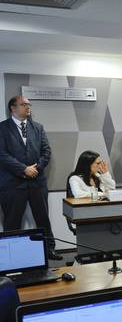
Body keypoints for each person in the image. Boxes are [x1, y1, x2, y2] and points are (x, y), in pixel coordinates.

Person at [0, 95, 60, 260]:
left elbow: (46, 151)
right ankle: (10, 255)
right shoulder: (2, 128)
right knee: (12, 222)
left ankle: (49, 249)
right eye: (24, 104)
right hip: (12, 184)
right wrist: (23, 169)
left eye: (29, 104)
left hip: (37, 182)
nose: (28, 107)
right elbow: (2, 155)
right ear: (13, 108)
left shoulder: (38, 127)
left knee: (43, 218)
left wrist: (36, 168)